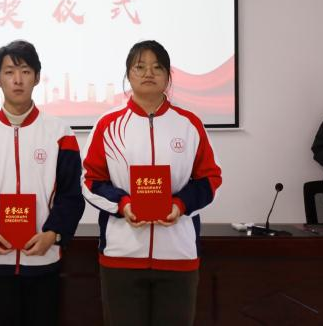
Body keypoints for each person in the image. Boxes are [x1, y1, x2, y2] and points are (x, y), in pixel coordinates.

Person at [81, 40, 222, 326]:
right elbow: (91, 180)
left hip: (178, 255)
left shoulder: (189, 123)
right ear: (128, 74)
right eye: (140, 66)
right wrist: (123, 205)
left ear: (168, 76)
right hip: (121, 255)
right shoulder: (108, 125)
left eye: (157, 67)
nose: (149, 73)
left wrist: (180, 205)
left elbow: (209, 179)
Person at [0, 40, 85, 326]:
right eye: (9, 72)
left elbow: (71, 195)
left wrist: (53, 234)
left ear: (37, 77)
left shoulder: (60, 133)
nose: (17, 79)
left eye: (25, 71)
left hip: (43, 260)